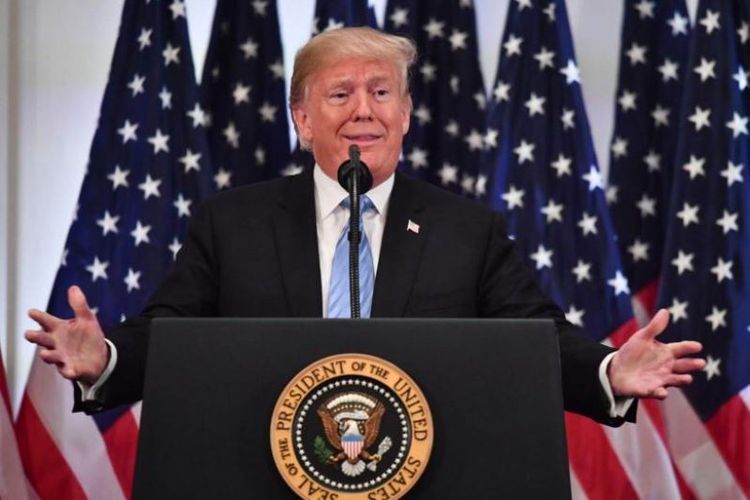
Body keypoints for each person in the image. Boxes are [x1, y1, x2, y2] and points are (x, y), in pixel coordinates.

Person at [25, 27, 704, 425]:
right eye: (340, 94)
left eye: (381, 92)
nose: (363, 111)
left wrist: (612, 370)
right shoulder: (230, 225)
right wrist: (104, 359)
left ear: (406, 114)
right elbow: (169, 335)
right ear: (301, 118)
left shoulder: (466, 231)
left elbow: (538, 338)